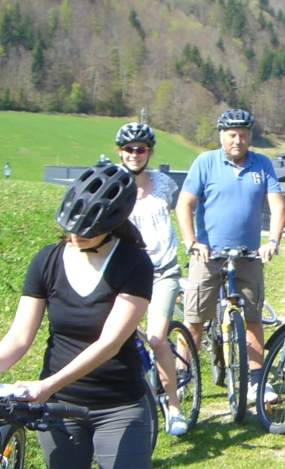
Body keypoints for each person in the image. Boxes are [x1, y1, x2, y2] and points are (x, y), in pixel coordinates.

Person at [0, 163, 161, 469]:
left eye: (86, 231)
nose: (75, 235)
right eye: (71, 226)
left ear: (112, 223)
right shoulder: (47, 260)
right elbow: (21, 335)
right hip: (58, 409)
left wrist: (48, 384)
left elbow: (109, 342)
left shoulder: (134, 263)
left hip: (118, 407)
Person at [175, 109, 285, 404]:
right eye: (232, 135)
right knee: (194, 320)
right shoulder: (205, 162)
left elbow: (277, 206)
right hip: (208, 255)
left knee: (252, 318)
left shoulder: (262, 164)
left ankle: (255, 383)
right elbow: (184, 204)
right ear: (222, 136)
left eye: (243, 135)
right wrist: (192, 242)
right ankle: (181, 378)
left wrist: (272, 241)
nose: (238, 140)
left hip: (248, 256)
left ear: (250, 136)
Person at [115, 122, 188, 435]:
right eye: (129, 149)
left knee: (157, 339)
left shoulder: (164, 184)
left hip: (163, 271)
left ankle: (174, 407)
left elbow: (185, 211)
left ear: (149, 152)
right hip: (125, 274)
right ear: (120, 152)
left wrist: (194, 241)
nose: (134, 154)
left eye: (140, 149)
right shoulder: (113, 184)